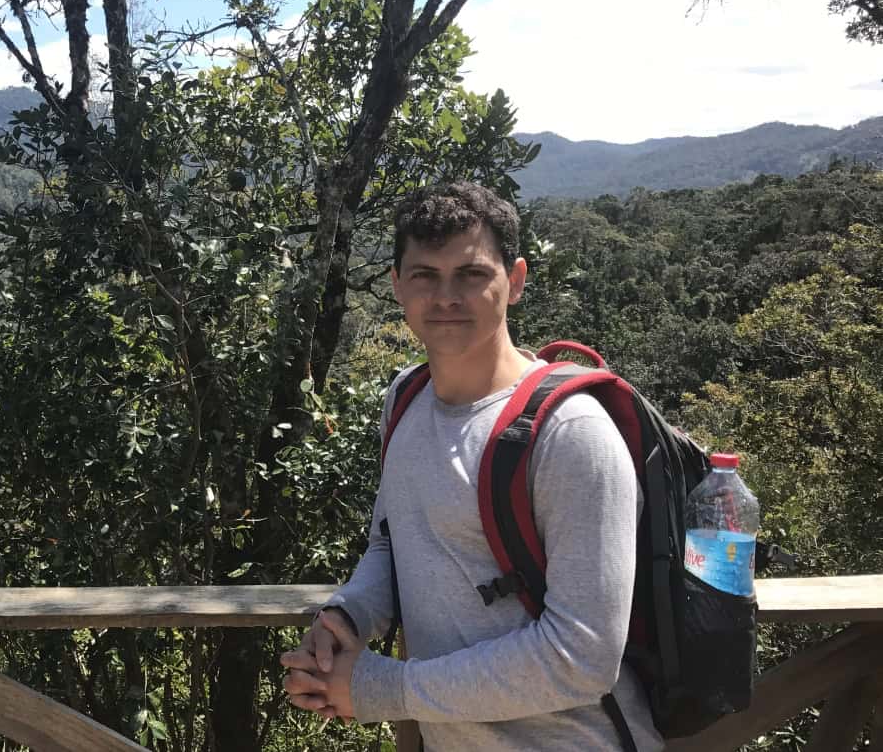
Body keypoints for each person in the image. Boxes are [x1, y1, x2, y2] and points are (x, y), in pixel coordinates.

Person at [280, 181, 662, 751]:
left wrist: (385, 689)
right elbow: (392, 541)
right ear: (397, 285)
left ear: (516, 280)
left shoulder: (570, 433)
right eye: (425, 275)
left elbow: (583, 657)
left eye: (471, 274)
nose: (446, 297)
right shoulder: (406, 399)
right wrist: (350, 615)